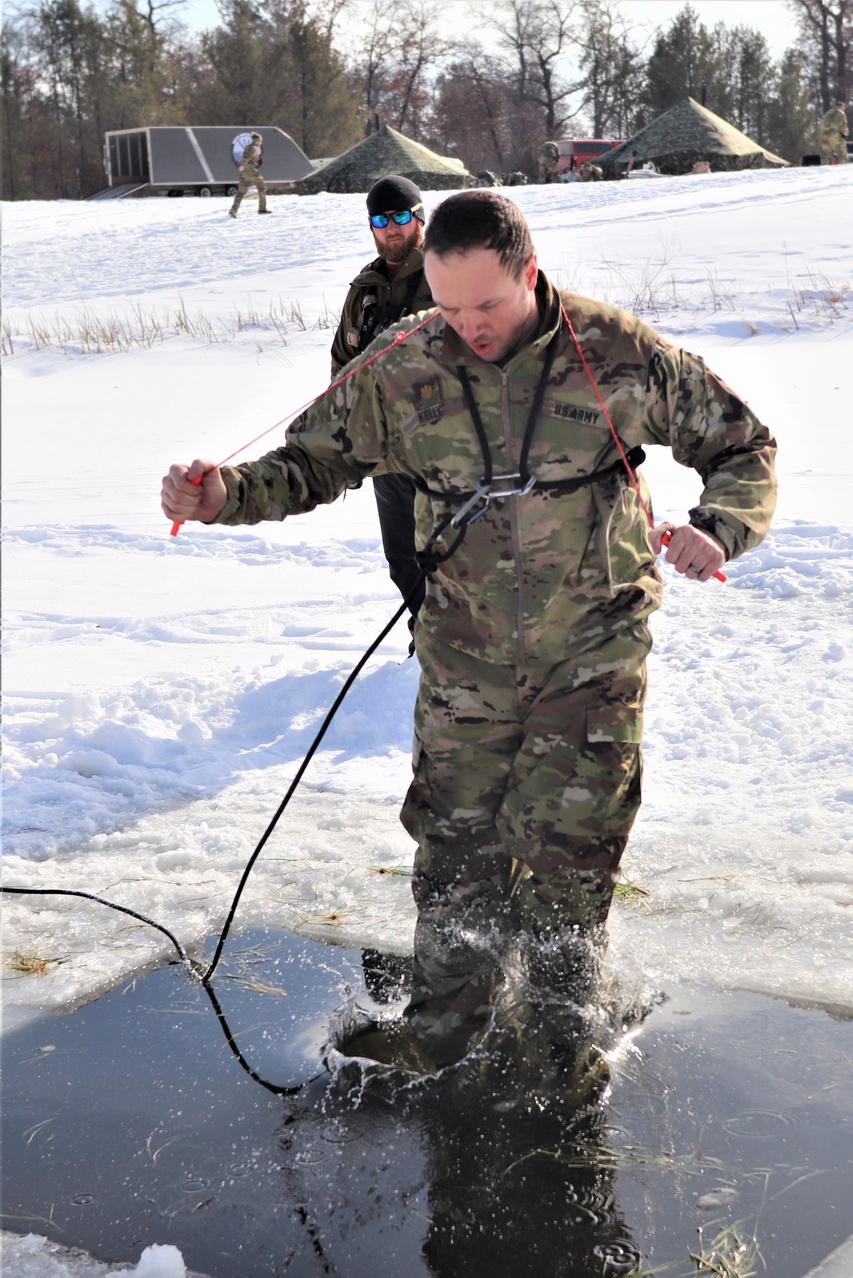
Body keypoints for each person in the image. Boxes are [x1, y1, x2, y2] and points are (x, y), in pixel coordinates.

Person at [162, 192, 777, 1072]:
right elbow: (310, 462)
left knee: (569, 856)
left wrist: (720, 526)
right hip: (465, 655)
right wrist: (220, 495)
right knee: (455, 851)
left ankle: (564, 1040)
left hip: (592, 649)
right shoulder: (405, 360)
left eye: (485, 306)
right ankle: (443, 1032)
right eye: (448, 307)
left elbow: (744, 445)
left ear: (529, 272)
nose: (467, 327)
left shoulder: (614, 353)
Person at [329, 175, 436, 636]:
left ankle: (461, 652)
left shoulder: (447, 273)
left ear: (418, 218)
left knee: (455, 555)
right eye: (380, 219)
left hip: (446, 452)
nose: (391, 228)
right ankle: (427, 635)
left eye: (399, 217)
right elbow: (341, 366)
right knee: (402, 559)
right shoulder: (364, 288)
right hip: (386, 455)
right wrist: (345, 436)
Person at [229, 132, 270, 217]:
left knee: (241, 192)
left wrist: (258, 160)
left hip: (244, 174)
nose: (261, 143)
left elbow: (250, 159)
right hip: (251, 172)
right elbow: (246, 158)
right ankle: (262, 209)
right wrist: (242, 165)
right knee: (262, 188)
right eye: (260, 141)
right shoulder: (254, 148)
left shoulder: (248, 147)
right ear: (257, 141)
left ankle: (233, 210)